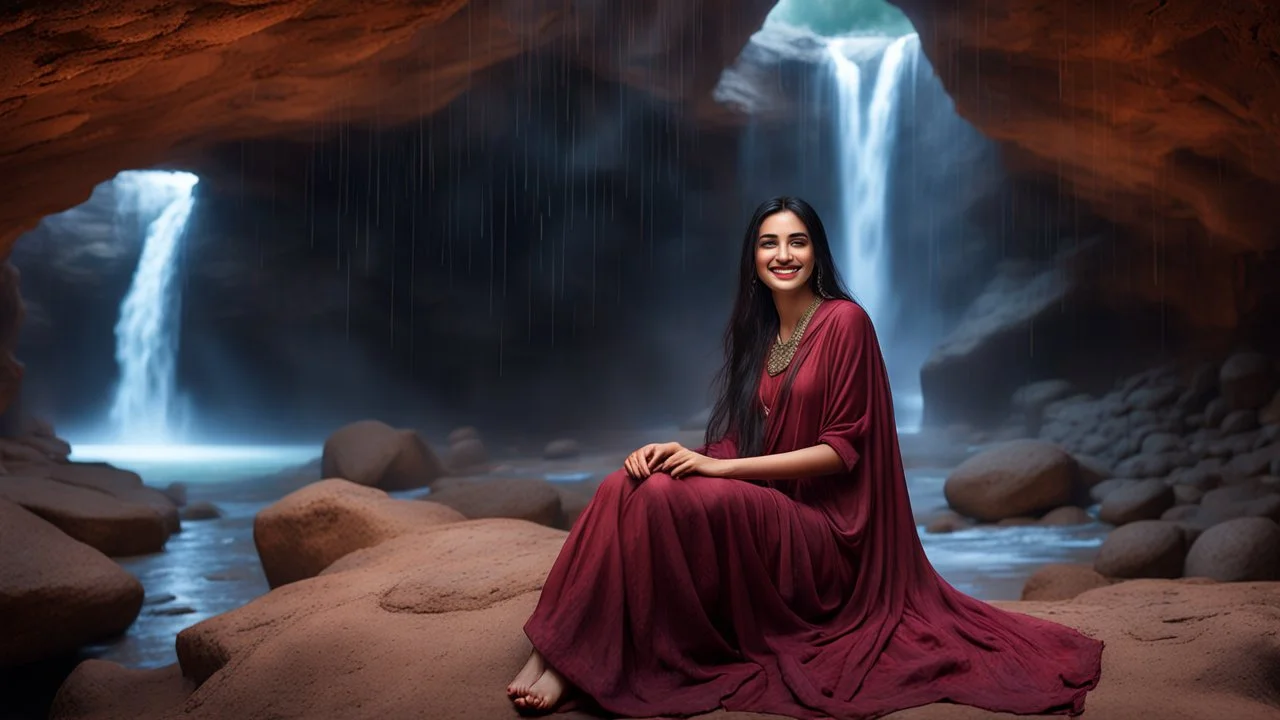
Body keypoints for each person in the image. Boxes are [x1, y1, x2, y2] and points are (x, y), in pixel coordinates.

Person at [506, 196, 1104, 718]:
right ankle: (553, 653)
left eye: (798, 241)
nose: (783, 254)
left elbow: (840, 454)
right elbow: (743, 440)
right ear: (752, 259)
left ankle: (566, 658)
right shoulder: (761, 337)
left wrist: (720, 470)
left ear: (818, 252)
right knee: (628, 483)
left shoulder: (846, 323)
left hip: (829, 537)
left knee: (659, 495)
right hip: (772, 509)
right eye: (769, 243)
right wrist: (684, 453)